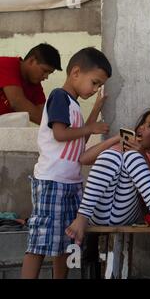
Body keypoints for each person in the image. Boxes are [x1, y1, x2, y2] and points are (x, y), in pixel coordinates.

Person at [21, 47, 111, 279]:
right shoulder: (58, 97)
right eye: (94, 82)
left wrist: (96, 111)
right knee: (40, 243)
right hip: (52, 181)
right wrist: (90, 126)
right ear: (76, 73)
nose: (95, 89)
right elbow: (61, 134)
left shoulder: (73, 105)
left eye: (99, 86)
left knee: (65, 243)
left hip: (70, 182)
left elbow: (80, 139)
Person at [65, 109, 150, 246]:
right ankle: (82, 216)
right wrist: (116, 139)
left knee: (132, 156)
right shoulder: (117, 149)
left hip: (126, 214)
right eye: (142, 124)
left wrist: (142, 156)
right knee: (111, 154)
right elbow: (84, 159)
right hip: (96, 212)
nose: (142, 128)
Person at [0, 43, 62, 124]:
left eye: (49, 73)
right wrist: (56, 128)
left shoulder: (35, 84)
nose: (46, 77)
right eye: (45, 71)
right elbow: (17, 102)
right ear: (31, 61)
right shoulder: (7, 64)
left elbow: (44, 114)